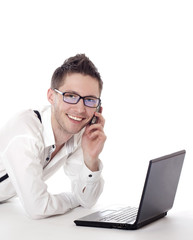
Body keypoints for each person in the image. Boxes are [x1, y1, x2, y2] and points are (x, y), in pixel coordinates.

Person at [0, 54, 106, 219]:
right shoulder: (25, 132)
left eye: (90, 100)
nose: (80, 109)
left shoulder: (77, 135)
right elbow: (37, 207)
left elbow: (87, 200)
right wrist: (72, 198)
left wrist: (91, 158)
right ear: (51, 96)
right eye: (71, 96)